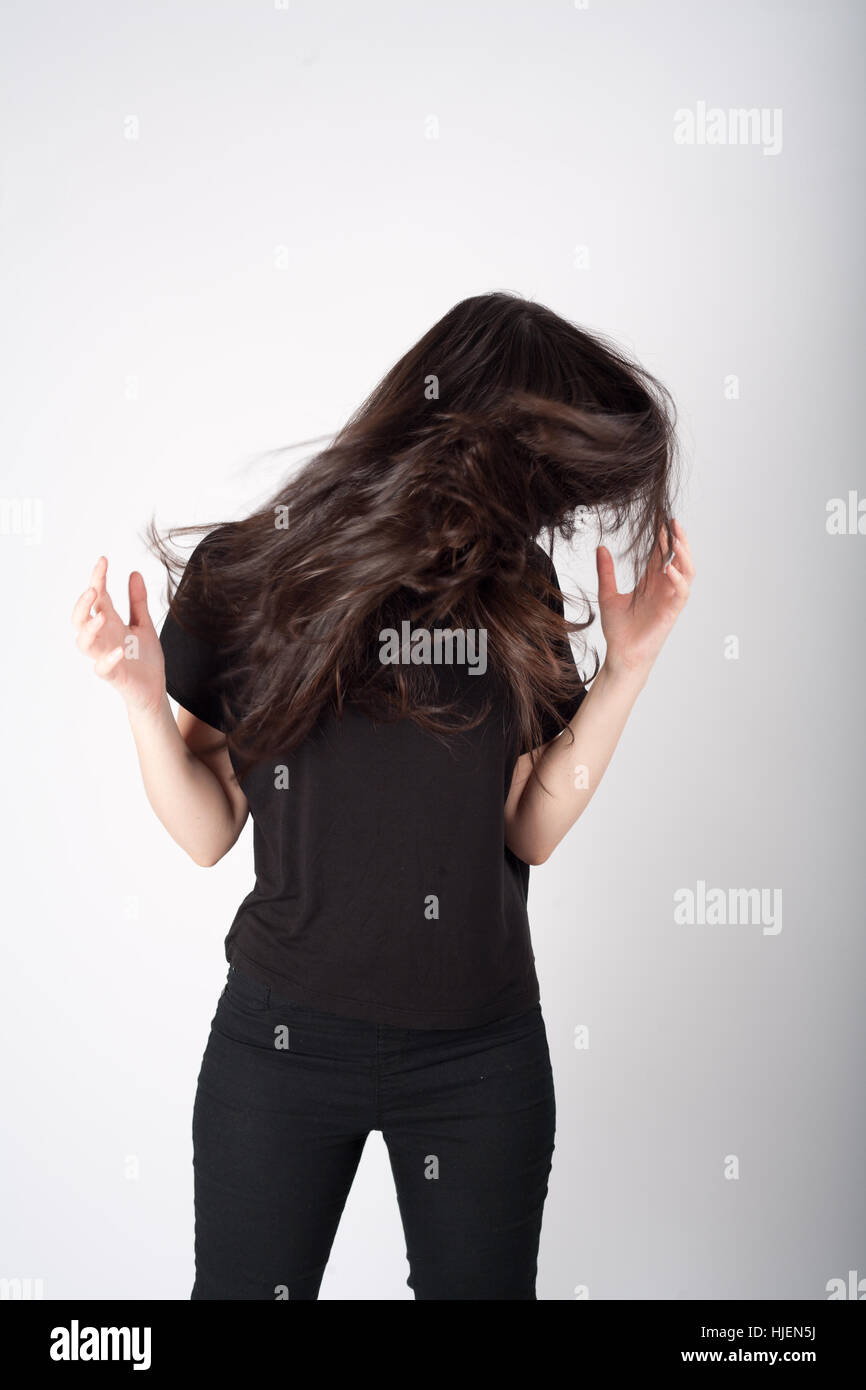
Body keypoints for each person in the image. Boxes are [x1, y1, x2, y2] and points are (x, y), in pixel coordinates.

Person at [72, 291, 694, 1300]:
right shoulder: (259, 569)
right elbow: (207, 831)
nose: (550, 509)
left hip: (479, 1058)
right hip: (281, 1047)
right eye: (546, 476)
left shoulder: (518, 591)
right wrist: (145, 706)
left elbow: (527, 830)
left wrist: (625, 670)